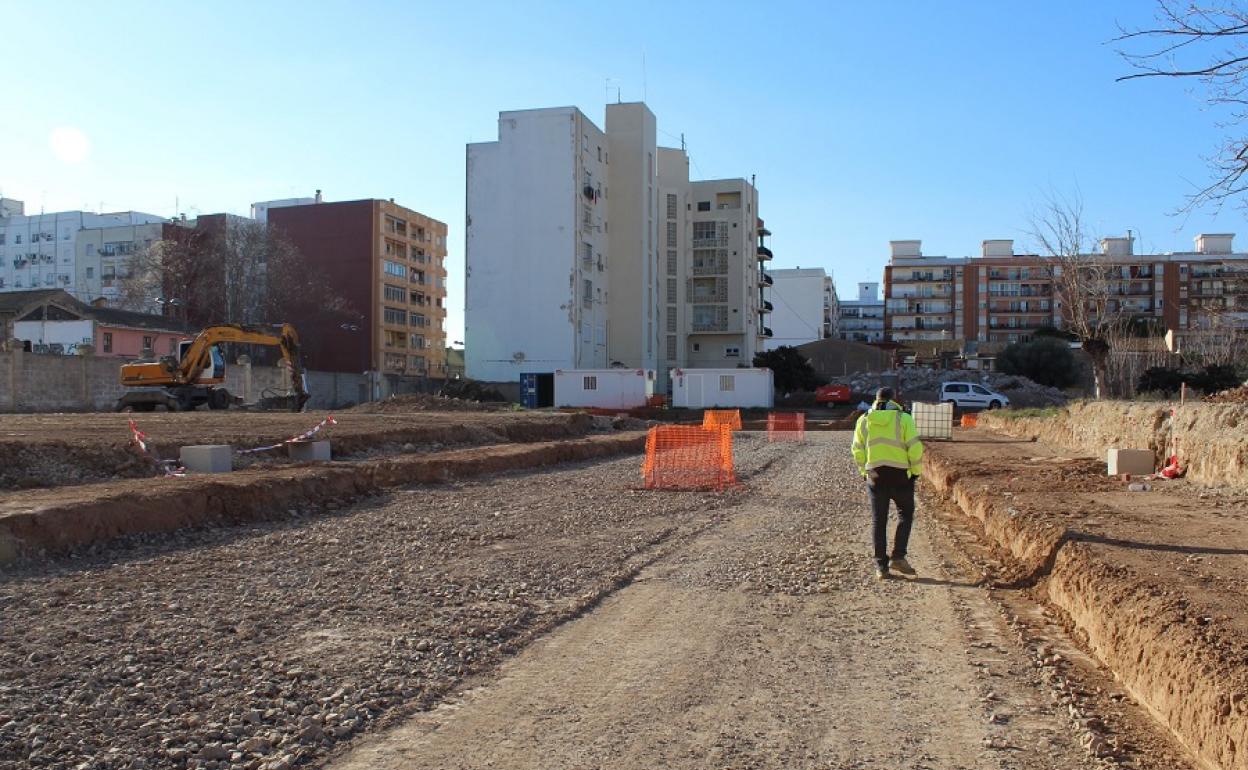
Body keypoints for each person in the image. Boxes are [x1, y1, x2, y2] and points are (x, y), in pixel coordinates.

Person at [851, 387, 924, 581]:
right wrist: (915, 472)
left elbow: (857, 450)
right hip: (901, 477)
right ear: (894, 399)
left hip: (876, 477)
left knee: (879, 521)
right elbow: (915, 449)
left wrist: (864, 473)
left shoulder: (864, 420)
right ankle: (898, 557)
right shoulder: (904, 418)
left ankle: (881, 567)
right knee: (905, 515)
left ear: (875, 400)